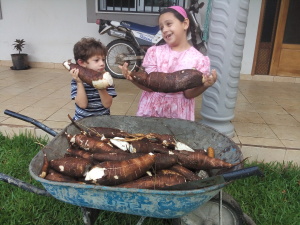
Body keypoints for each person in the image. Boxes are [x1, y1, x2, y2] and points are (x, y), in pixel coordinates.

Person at [120, 6, 217, 121]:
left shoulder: (198, 59)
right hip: (151, 111)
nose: (164, 29)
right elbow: (149, 86)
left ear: (185, 24)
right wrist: (132, 78)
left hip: (178, 116)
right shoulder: (155, 52)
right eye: (161, 28)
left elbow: (188, 94)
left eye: (169, 24)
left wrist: (205, 85)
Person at [70, 37, 117, 120]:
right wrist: (79, 83)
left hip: (102, 122)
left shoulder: (107, 79)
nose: (102, 63)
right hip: (82, 122)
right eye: (96, 60)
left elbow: (107, 104)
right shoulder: (76, 80)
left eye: (103, 59)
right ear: (82, 62)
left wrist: (100, 85)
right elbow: (82, 104)